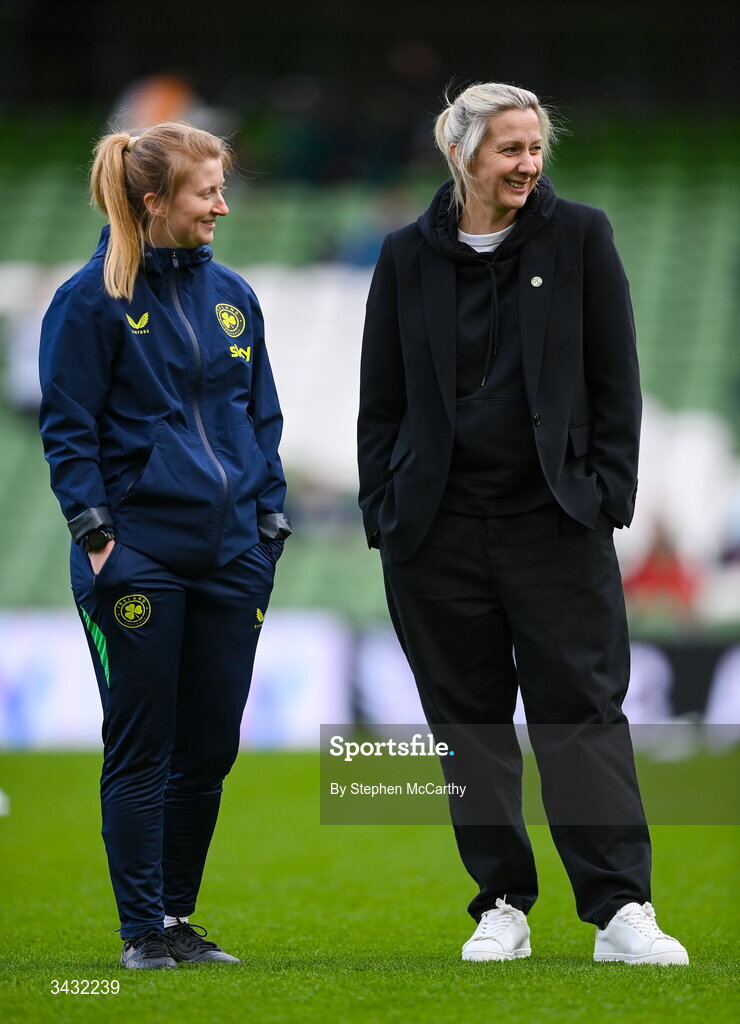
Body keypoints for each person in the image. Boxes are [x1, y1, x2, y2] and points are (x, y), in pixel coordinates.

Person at [357, 82, 688, 965]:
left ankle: (621, 910)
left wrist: (606, 494)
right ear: (462, 154)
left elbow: (617, 378)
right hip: (435, 533)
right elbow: (379, 402)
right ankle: (501, 902)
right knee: (467, 726)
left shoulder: (581, 236)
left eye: (536, 147)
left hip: (557, 525)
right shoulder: (402, 257)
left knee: (580, 716)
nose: (529, 163)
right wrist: (383, 511)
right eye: (510, 148)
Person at [39, 122, 291, 969]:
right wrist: (99, 536)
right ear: (154, 202)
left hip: (233, 555)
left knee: (212, 744)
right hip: (138, 554)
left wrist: (269, 523)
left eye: (221, 188)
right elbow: (67, 432)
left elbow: (262, 419)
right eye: (206, 191)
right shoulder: (89, 299)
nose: (222, 204)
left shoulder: (236, 297)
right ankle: (141, 931)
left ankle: (177, 919)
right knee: (143, 747)